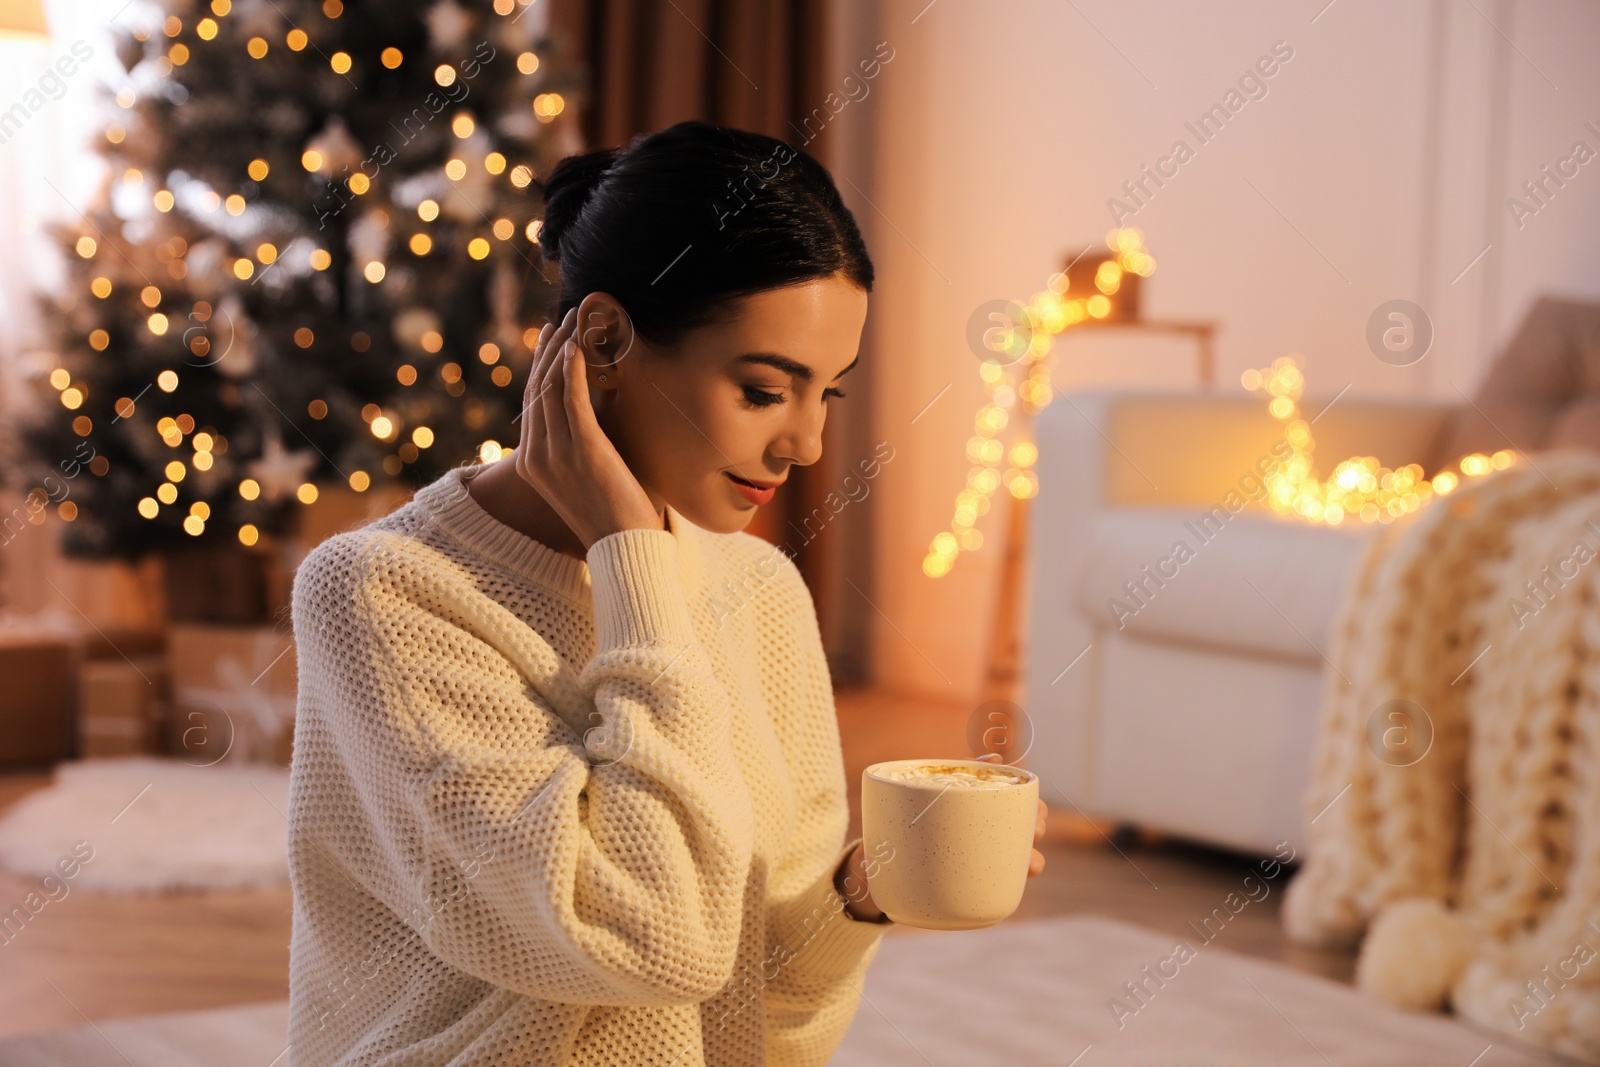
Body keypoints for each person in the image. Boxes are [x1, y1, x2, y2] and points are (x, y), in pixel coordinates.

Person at [285, 119, 1047, 1067]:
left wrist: (861, 898)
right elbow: (651, 942)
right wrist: (632, 557)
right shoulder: (382, 594)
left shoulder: (761, 587)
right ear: (603, 338)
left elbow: (760, 1018)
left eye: (829, 395)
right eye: (766, 390)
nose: (805, 444)